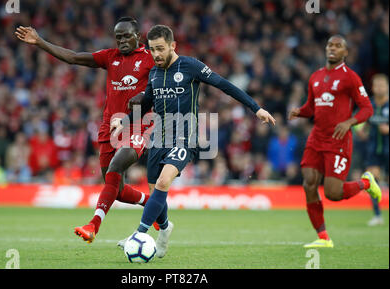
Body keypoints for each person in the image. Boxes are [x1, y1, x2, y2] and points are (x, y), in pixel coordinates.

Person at [111, 25, 275, 258]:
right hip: (159, 138)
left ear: (172, 46)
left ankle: (139, 233)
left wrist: (256, 108)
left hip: (184, 137)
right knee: (155, 192)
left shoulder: (190, 66)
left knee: (163, 182)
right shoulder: (154, 74)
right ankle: (165, 230)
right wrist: (124, 122)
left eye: (160, 49)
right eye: (151, 49)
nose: (156, 54)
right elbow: (146, 103)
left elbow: (224, 85)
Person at [15, 17, 159, 244]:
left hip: (138, 123)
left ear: (138, 36)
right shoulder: (109, 57)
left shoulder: (151, 59)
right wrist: (40, 41)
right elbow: (73, 57)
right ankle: (153, 203)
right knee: (117, 190)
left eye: (126, 36)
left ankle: (93, 225)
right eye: (118, 36)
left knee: (115, 167)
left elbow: (161, 86)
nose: (121, 40)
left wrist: (145, 98)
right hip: (109, 126)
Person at [288, 35, 382, 248]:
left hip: (338, 140)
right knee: (309, 183)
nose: (333, 48)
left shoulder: (350, 78)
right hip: (316, 137)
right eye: (330, 45)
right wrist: (299, 112)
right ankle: (323, 238)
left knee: (333, 193)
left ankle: (366, 182)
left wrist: (349, 122)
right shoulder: (315, 77)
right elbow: (312, 107)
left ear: (345, 53)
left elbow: (368, 108)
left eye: (338, 46)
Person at [360, 74, 389, 226]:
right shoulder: (369, 105)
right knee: (371, 181)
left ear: (387, 88)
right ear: (373, 88)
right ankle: (377, 215)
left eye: (382, 86)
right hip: (373, 149)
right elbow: (363, 124)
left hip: (388, 148)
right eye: (377, 86)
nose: (379, 88)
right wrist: (361, 131)